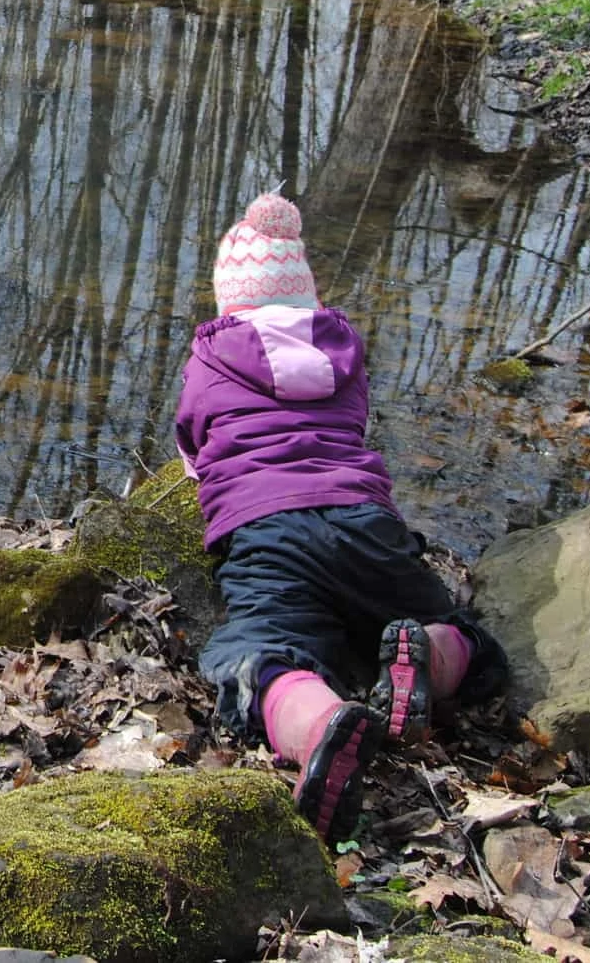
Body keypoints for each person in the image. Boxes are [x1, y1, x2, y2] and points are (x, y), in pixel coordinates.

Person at [174, 191, 503, 843]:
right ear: (305, 298)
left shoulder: (211, 357)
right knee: (459, 632)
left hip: (266, 532)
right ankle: (429, 657)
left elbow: (192, 438)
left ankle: (319, 724)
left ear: (227, 300)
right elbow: (350, 425)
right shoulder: (342, 350)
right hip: (363, 522)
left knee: (259, 653)